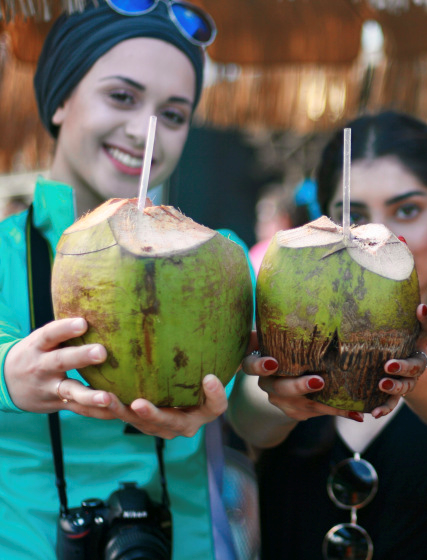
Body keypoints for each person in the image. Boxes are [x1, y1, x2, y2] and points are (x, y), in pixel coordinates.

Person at [228, 111, 427, 559]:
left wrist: (398, 353)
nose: (379, 234)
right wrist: (274, 392)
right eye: (350, 213)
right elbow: (249, 420)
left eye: (407, 210)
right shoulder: (291, 339)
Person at [0, 2, 244, 558]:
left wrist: (288, 393)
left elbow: (256, 404)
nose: (146, 131)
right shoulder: (3, 253)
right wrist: (8, 376)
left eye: (174, 114)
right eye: (122, 97)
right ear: (61, 99)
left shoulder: (221, 257)